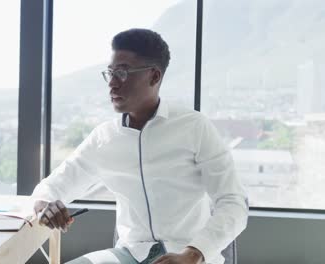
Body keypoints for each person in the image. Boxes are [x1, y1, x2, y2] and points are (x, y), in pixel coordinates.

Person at [31, 28, 248, 264]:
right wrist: (45, 203)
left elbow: (233, 203)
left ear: (154, 76)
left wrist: (194, 253)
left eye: (122, 73)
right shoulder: (104, 138)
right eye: (111, 72)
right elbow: (52, 187)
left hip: (189, 255)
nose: (112, 83)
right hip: (129, 255)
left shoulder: (194, 127)